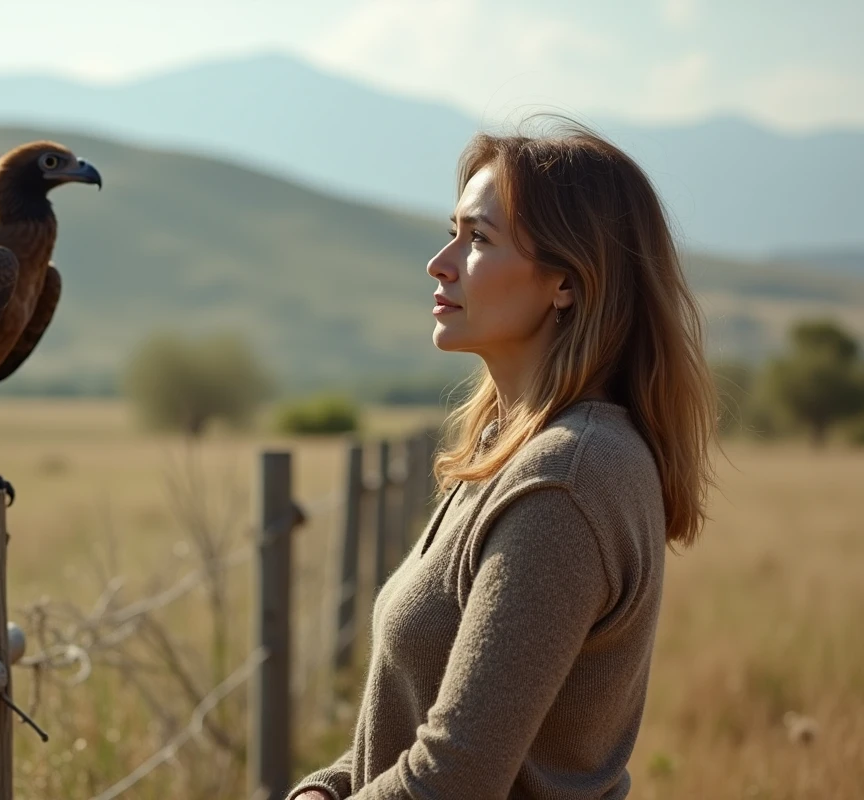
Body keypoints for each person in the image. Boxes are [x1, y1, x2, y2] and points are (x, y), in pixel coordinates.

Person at [288, 123, 718, 800]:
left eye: (478, 239)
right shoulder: (510, 447)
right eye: (453, 231)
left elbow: (454, 778)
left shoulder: (567, 477)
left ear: (567, 284)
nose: (441, 261)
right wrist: (325, 790)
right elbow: (414, 732)